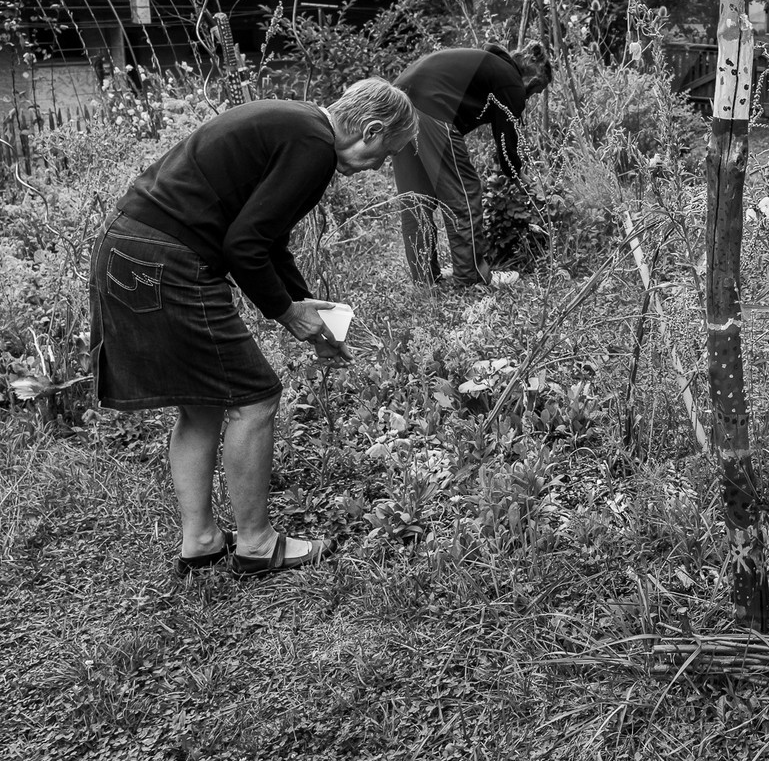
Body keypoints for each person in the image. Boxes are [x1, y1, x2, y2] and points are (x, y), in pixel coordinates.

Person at [89, 79, 418, 577]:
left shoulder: (298, 123)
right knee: (256, 396)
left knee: (201, 401)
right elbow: (243, 246)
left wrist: (302, 306)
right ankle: (257, 544)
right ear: (371, 130)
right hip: (168, 260)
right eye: (383, 155)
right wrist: (287, 314)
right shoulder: (314, 148)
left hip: (126, 247)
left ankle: (200, 540)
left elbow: (268, 240)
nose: (377, 167)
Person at [392, 44, 551, 287]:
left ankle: (425, 278)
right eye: (538, 89)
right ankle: (471, 277)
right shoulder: (510, 80)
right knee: (463, 194)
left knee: (417, 200)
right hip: (431, 108)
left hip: (397, 104)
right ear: (532, 77)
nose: (534, 95)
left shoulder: (490, 65)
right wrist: (518, 175)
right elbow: (508, 141)